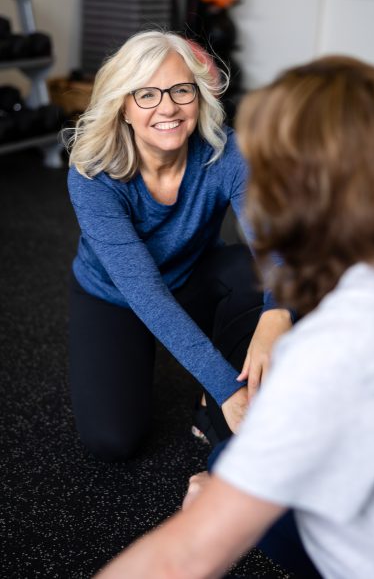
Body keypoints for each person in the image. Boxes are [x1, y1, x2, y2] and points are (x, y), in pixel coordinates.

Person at [94, 55, 374, 578]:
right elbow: (147, 293)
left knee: (223, 466)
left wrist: (222, 490)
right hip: (123, 297)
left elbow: (185, 557)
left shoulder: (335, 345)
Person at [66, 30, 292, 461]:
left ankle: (209, 403)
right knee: (113, 441)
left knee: (255, 277)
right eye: (146, 94)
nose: (167, 107)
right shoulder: (92, 174)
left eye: (180, 90)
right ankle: (219, 384)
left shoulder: (227, 151)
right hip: (116, 299)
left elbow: (275, 241)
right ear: (123, 107)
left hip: (191, 277)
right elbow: (144, 292)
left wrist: (277, 312)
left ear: (199, 96)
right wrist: (230, 388)